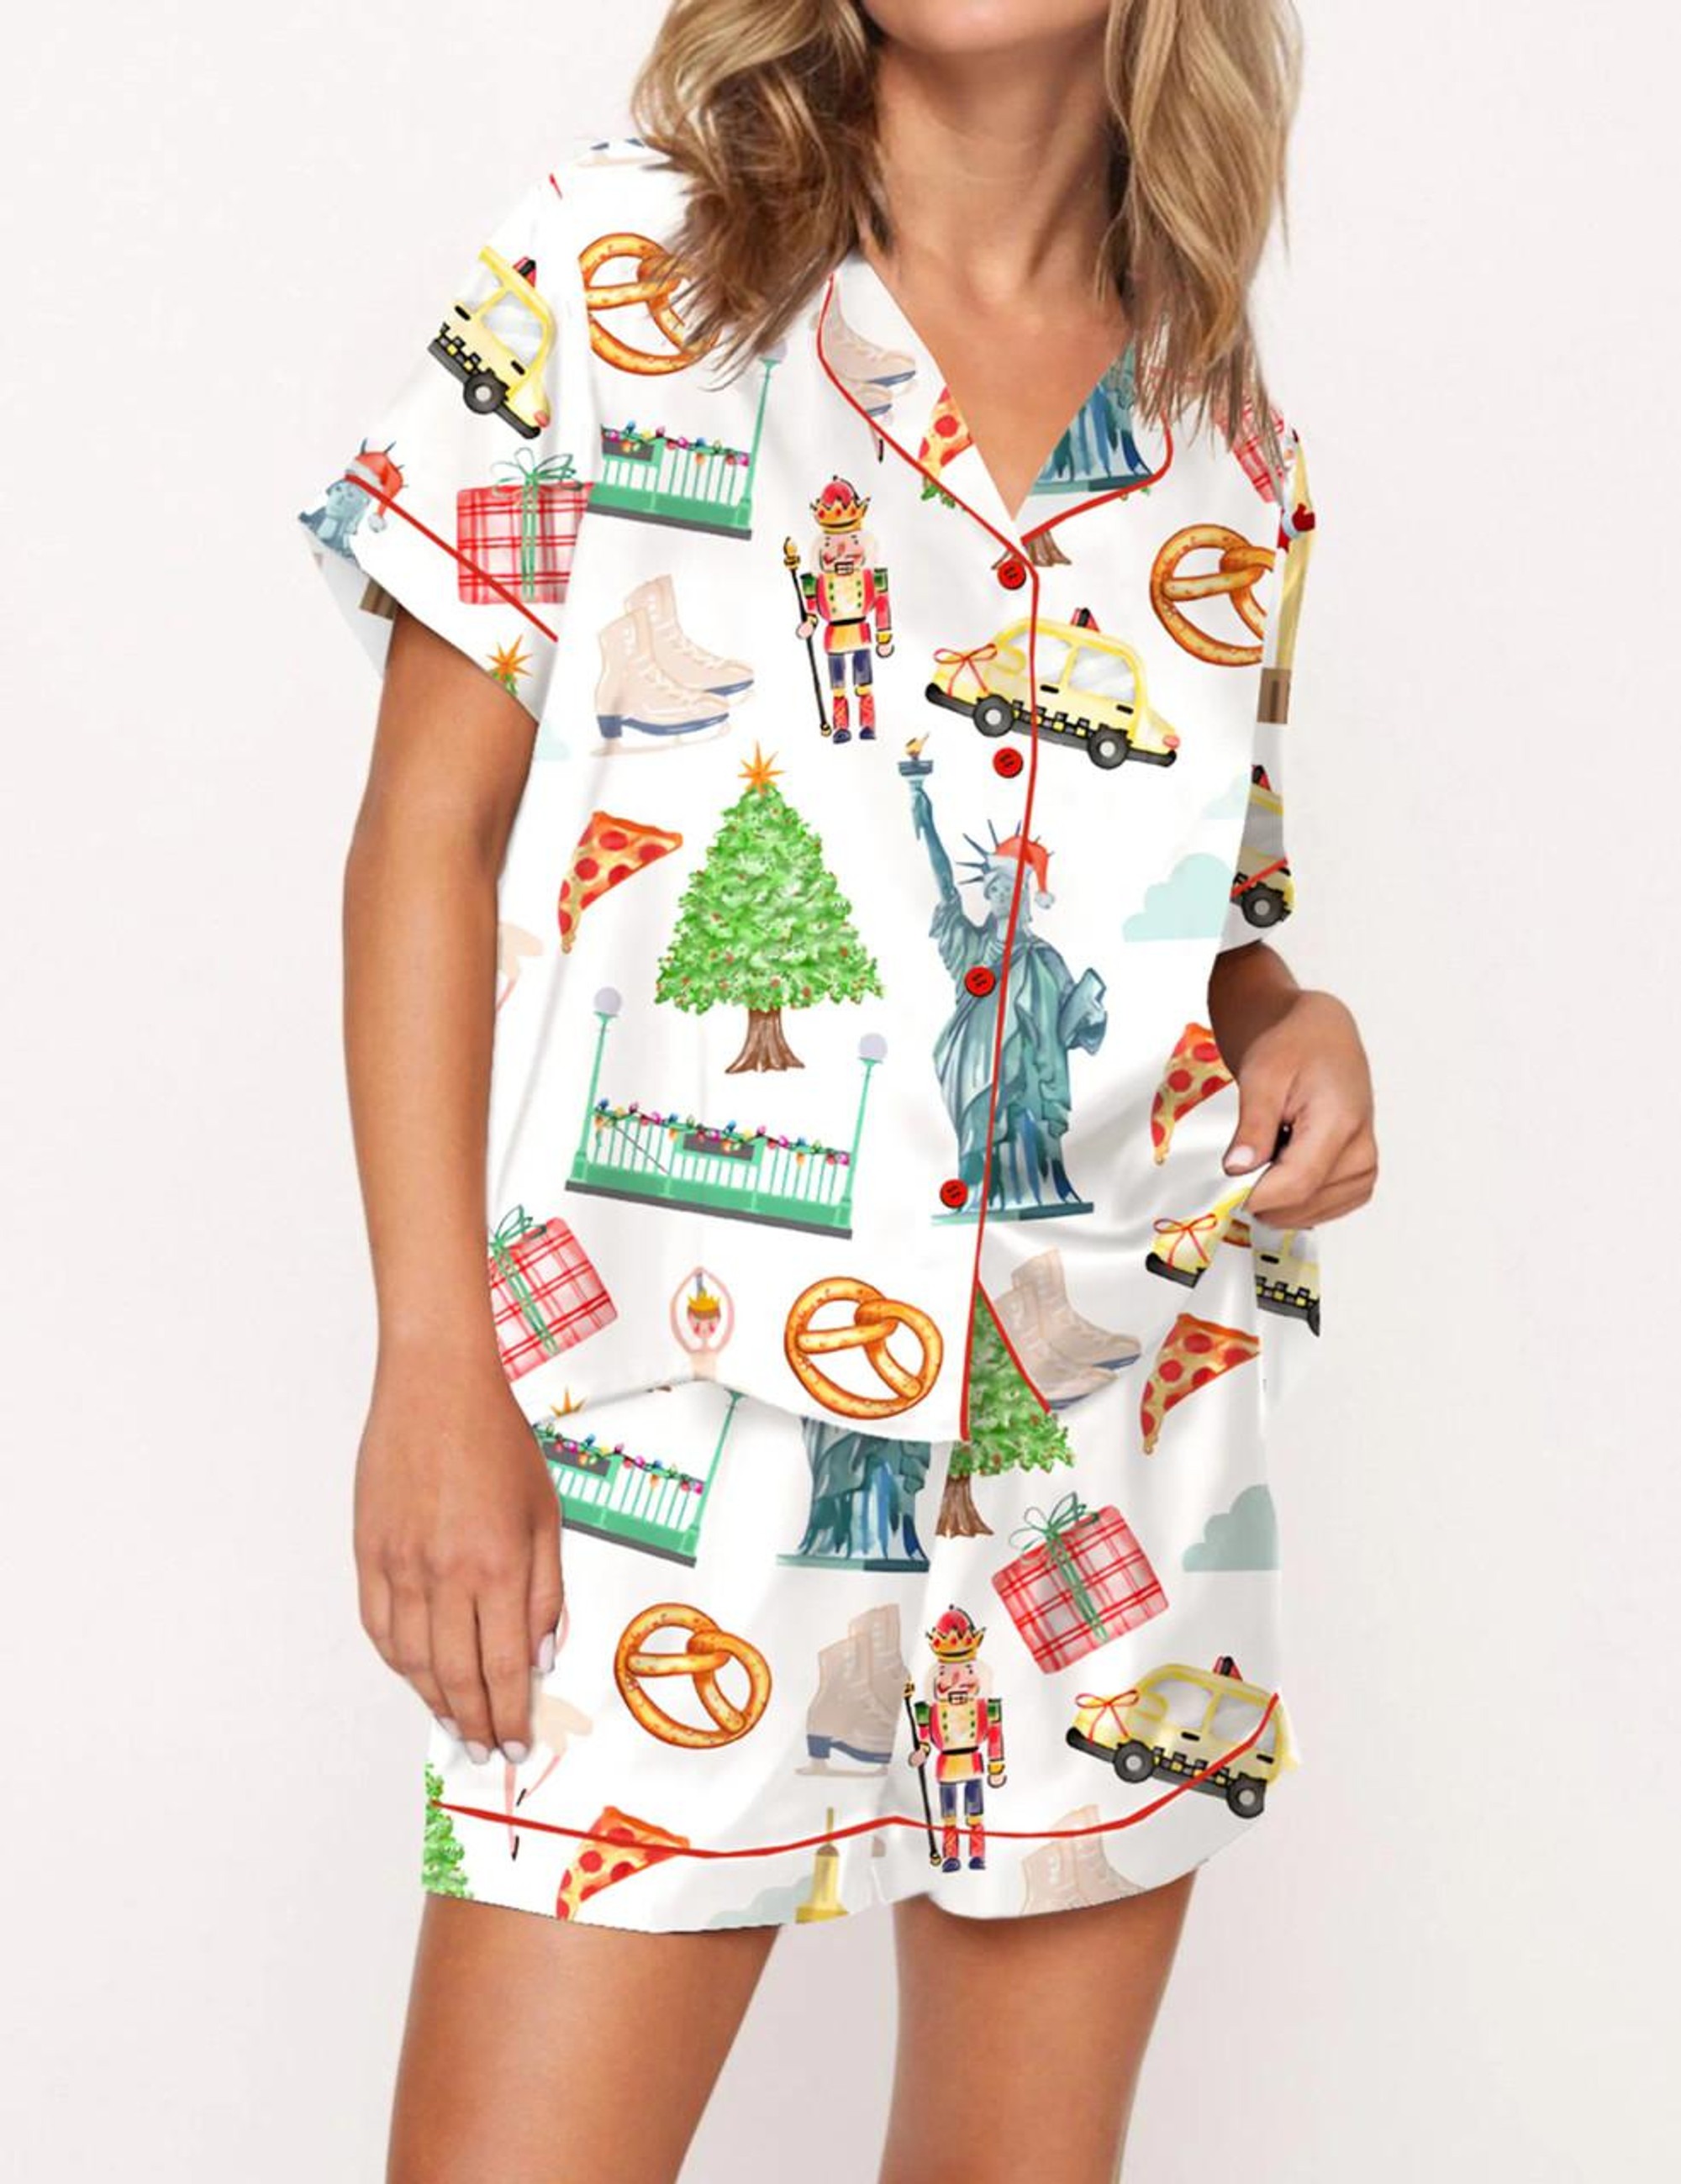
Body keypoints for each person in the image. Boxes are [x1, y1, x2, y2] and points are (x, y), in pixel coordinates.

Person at [296, 3, 1378, 2177]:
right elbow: (427, 834)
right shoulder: (621, 275)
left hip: (1106, 1447)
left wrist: (1295, 1021)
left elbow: (1204, 918)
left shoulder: (1220, 427)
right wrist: (432, 1361)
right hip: (672, 1418)